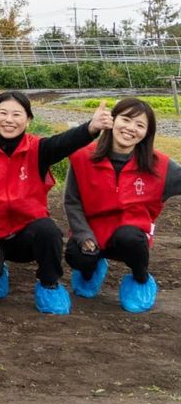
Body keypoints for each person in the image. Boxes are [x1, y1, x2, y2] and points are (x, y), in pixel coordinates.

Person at [0, 92, 112, 315]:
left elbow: (65, 142)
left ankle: (49, 283)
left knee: (49, 231)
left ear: (28, 119)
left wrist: (92, 127)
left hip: (25, 234)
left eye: (16, 114)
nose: (9, 120)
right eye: (3, 113)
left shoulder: (38, 149)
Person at [64, 98, 181, 313]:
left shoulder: (160, 166)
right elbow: (72, 201)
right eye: (126, 119)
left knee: (129, 238)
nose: (130, 129)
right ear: (113, 120)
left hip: (130, 235)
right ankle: (90, 270)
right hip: (94, 234)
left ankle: (140, 278)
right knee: (75, 254)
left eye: (140, 125)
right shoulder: (83, 158)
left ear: (147, 132)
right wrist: (83, 235)